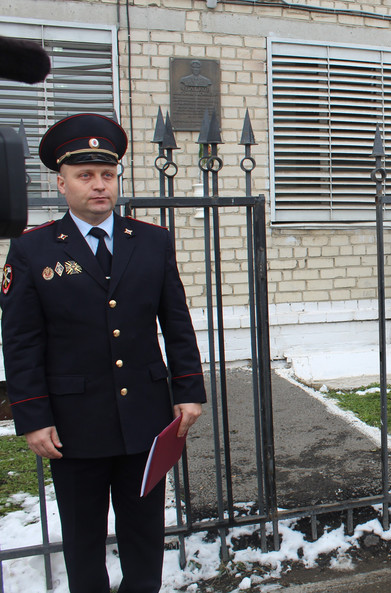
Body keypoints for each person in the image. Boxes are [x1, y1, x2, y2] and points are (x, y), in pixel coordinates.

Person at [0, 113, 207, 593]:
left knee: (144, 535)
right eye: (85, 176)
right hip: (74, 425)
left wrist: (188, 390)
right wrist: (31, 416)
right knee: (83, 538)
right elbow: (22, 341)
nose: (99, 186)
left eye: (107, 175)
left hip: (145, 418)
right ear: (62, 183)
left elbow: (176, 323)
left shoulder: (152, 242)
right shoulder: (33, 251)